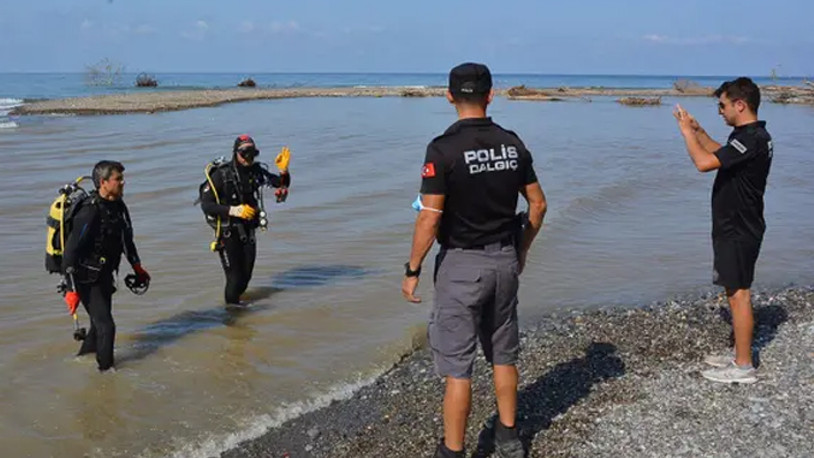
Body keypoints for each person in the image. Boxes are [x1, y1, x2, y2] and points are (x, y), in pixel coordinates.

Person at [401, 63, 547, 458]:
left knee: (457, 366)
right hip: (504, 260)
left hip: (461, 266)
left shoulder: (443, 149)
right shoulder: (512, 144)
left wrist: (412, 270)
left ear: (449, 96)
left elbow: (429, 217)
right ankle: (509, 437)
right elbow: (538, 205)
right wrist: (522, 250)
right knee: (503, 353)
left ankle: (452, 451)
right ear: (490, 95)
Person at [673, 77, 773, 384]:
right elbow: (723, 155)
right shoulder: (748, 136)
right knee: (735, 290)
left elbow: (704, 163)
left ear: (740, 105)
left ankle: (743, 366)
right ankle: (738, 353)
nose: (720, 111)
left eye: (723, 105)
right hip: (739, 224)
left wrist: (687, 135)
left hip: (739, 227)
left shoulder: (752, 138)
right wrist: (700, 131)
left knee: (738, 294)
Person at [62, 160, 151, 372]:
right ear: (103, 182)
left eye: (122, 178)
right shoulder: (89, 212)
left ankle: (81, 361)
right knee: (107, 327)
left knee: (97, 325)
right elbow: (70, 252)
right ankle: (106, 374)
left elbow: (127, 240)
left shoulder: (119, 207)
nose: (123, 182)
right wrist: (71, 289)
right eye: (118, 179)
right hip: (84, 277)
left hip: (105, 274)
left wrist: (137, 266)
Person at [200, 135, 291, 306]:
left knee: (246, 276)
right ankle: (232, 315)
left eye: (253, 153)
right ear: (236, 153)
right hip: (228, 232)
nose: (249, 157)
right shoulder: (222, 174)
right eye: (244, 153)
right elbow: (207, 205)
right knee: (235, 278)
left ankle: (237, 310)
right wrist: (234, 210)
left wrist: (284, 171)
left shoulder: (256, 171)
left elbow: (280, 183)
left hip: (248, 230)